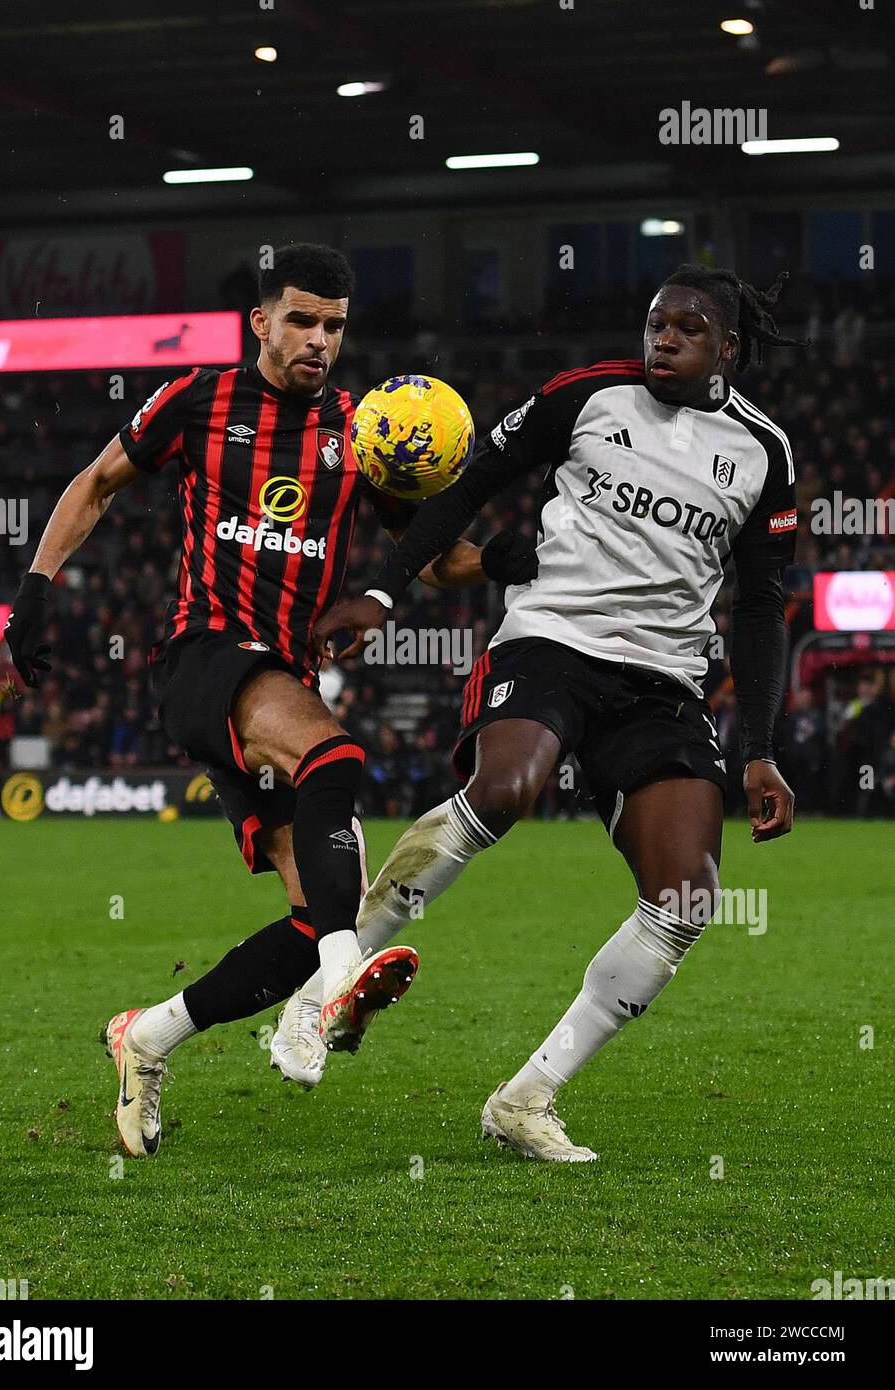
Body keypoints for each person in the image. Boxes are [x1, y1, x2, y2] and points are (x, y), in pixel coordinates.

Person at [4, 242, 535, 1157]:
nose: (317, 340)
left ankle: (150, 1035)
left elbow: (437, 559)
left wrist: (498, 560)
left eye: (332, 325)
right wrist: (37, 589)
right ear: (261, 320)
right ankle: (343, 972)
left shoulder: (361, 435)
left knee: (306, 911)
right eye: (299, 319)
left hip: (278, 680)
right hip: (202, 658)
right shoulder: (199, 400)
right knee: (338, 759)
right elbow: (95, 483)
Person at [309, 265, 801, 1162]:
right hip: (551, 640)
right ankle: (325, 991)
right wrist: (381, 594)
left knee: (686, 898)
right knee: (504, 789)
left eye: (685, 329)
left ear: (726, 349)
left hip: (661, 681)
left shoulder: (763, 451)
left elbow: (762, 608)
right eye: (654, 324)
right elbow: (467, 488)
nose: (662, 340)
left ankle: (527, 1097)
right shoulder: (587, 397)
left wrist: (760, 750)